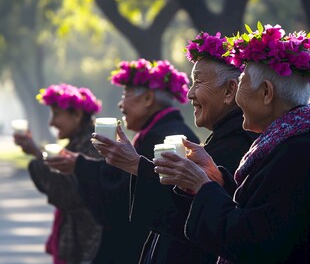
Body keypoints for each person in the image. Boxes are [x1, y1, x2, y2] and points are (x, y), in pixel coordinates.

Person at [91, 32, 257, 263]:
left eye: (198, 82)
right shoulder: (222, 138)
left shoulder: (239, 145)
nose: (190, 94)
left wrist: (135, 164)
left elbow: (190, 215)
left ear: (230, 91)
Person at [154, 23, 310, 263]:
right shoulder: (286, 142)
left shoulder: (295, 153)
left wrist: (202, 186)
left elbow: (254, 242)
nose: (237, 95)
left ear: (266, 93)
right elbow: (258, 216)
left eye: (243, 81)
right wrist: (217, 179)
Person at [47, 59, 200, 264]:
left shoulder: (167, 138)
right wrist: (81, 165)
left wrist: (81, 166)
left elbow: (127, 192)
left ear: (147, 98)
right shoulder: (155, 132)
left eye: (125, 94)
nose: (120, 104)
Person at [14, 83, 102, 264]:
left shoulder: (94, 146)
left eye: (56, 114)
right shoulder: (78, 142)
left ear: (77, 115)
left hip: (90, 243)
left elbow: (67, 190)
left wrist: (37, 153)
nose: (51, 123)